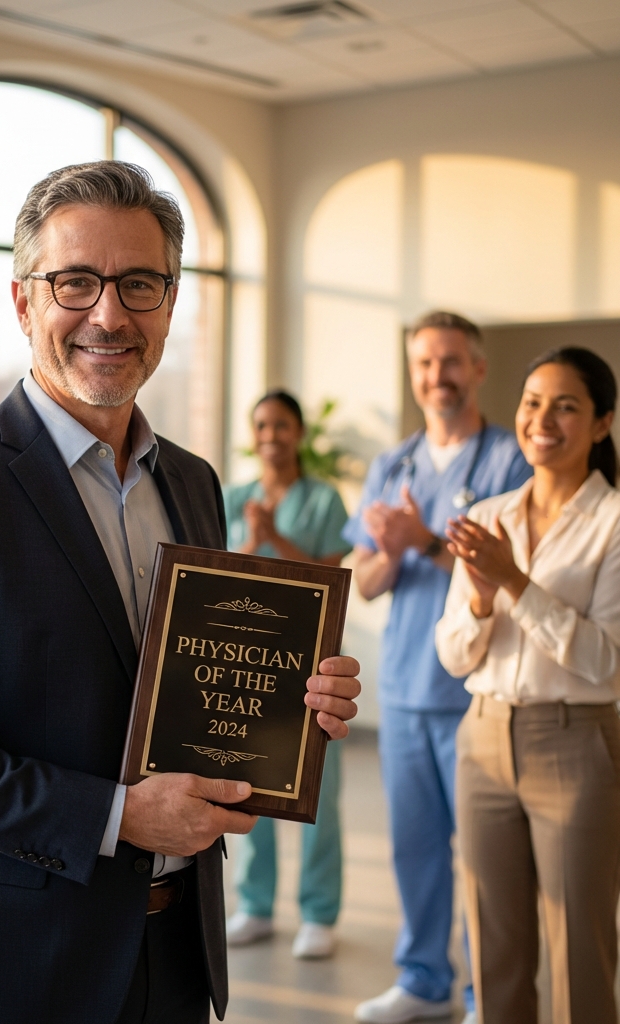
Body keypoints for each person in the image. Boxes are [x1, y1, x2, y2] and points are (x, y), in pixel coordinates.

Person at [0, 160, 362, 1024]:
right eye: (75, 282)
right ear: (23, 303)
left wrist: (290, 706)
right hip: (8, 962)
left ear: (170, 301)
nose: (109, 314)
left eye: (139, 284)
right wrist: (116, 816)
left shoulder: (192, 483)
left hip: (175, 952)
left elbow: (186, 692)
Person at [344, 311, 531, 1024]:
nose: (437, 376)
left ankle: (489, 994)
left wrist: (421, 540)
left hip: (481, 692)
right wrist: (392, 551)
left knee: (487, 858)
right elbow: (362, 579)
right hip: (404, 689)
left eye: (451, 361)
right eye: (425, 363)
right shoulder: (393, 466)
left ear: (478, 369)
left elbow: (521, 573)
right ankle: (423, 981)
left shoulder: (511, 461)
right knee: (415, 848)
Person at [436, 347, 620, 1024]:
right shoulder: (489, 516)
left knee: (580, 947)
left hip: (575, 746)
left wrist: (513, 581)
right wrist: (483, 600)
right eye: (533, 403)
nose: (543, 419)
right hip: (482, 738)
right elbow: (454, 653)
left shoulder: (613, 522)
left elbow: (607, 662)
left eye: (566, 405)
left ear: (602, 424)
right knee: (495, 948)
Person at [222, 389, 351, 958]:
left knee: (318, 790)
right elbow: (218, 573)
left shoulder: (324, 501)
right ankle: (254, 904)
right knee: (250, 787)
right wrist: (254, 538)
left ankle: (319, 913)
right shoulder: (233, 497)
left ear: (299, 434)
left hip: (313, 668)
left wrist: (275, 537)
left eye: (281, 426)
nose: (270, 435)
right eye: (261, 426)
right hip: (250, 664)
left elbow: (334, 573)